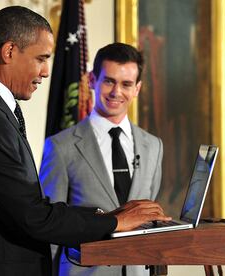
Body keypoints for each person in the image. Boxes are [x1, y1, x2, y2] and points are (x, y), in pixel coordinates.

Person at [0, 7, 170, 276]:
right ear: (9, 51)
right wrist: (113, 221)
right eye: (41, 58)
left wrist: (111, 217)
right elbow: (33, 216)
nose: (47, 71)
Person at [39, 42, 163, 276]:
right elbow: (48, 228)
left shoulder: (154, 146)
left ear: (137, 88)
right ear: (91, 80)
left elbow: (149, 218)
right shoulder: (60, 147)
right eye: (109, 81)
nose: (116, 92)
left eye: (126, 84)